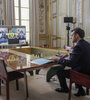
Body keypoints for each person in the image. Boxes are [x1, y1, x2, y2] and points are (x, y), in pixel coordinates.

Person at [51, 27, 90, 97]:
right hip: (88, 71)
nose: (71, 37)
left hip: (82, 73)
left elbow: (70, 63)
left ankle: (64, 88)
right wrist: (68, 54)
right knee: (75, 68)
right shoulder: (87, 44)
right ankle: (81, 90)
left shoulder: (78, 46)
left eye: (72, 35)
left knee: (60, 72)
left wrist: (58, 59)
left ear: (77, 35)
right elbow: (81, 55)